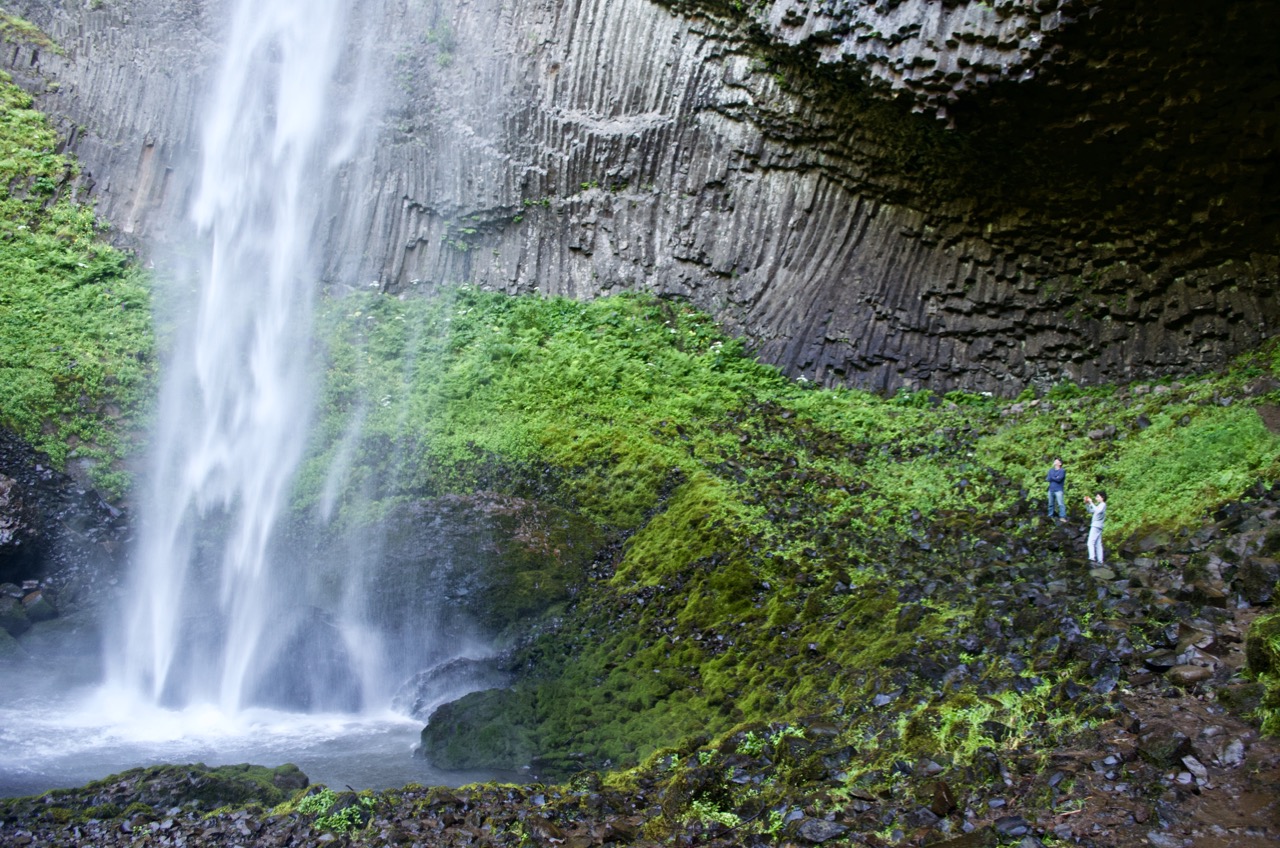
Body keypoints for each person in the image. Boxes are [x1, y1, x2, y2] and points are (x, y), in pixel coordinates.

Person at [1084, 491, 1106, 564]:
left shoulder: (1103, 504)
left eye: (1098, 496)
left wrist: (1091, 502)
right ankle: (1100, 560)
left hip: (1096, 526)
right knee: (1098, 544)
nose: (1096, 498)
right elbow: (1090, 511)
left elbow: (1098, 511)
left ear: (1102, 498)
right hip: (1098, 526)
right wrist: (1087, 504)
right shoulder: (1099, 505)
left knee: (1090, 542)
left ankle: (1092, 558)